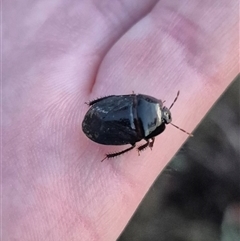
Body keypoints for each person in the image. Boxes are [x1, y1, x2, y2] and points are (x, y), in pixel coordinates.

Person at [3, 0, 238, 240]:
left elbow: (131, 99)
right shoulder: (144, 129)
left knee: (131, 123)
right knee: (135, 142)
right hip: (121, 124)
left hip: (112, 113)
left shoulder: (143, 104)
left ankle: (99, 122)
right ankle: (110, 149)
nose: (165, 112)